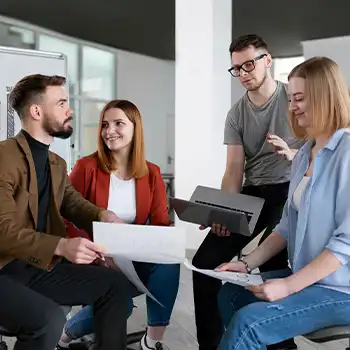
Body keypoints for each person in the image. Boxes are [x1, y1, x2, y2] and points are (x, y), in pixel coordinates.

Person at [217, 56, 350, 349]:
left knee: (249, 324)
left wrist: (288, 285)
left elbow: (346, 244)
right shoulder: (304, 153)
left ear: (325, 97)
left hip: (342, 289)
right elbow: (287, 226)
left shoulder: (347, 152)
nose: (292, 107)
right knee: (231, 295)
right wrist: (246, 262)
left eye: (300, 98)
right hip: (311, 281)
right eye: (290, 98)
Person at [0, 74, 131, 350]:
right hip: (4, 270)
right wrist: (61, 245)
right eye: (61, 103)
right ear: (37, 111)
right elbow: (3, 231)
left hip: (36, 266)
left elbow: (72, 203)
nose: (69, 109)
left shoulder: (55, 163)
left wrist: (103, 216)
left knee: (116, 286)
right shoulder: (3, 158)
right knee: (47, 320)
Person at [192, 34, 302, 350]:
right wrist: (226, 209)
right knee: (203, 267)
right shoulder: (236, 114)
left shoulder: (292, 99)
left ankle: (281, 345)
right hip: (253, 193)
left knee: (272, 263)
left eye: (248, 65)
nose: (242, 74)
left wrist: (295, 157)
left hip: (289, 188)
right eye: (236, 69)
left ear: (267, 60)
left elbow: (316, 149)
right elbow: (233, 170)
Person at [58, 99, 180, 350]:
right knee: (120, 304)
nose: (109, 131)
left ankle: (152, 342)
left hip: (131, 258)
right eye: (105, 124)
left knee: (170, 259)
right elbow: (64, 217)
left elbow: (160, 224)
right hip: (94, 257)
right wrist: (96, 254)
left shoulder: (152, 173)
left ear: (135, 128)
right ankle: (65, 335)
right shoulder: (86, 167)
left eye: (118, 124)